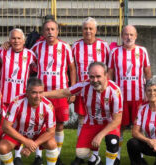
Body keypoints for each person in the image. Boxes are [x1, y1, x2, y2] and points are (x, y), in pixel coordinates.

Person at [43, 62, 122, 165]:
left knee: (113, 141)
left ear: (106, 75)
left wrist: (100, 135)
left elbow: (117, 119)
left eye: (98, 76)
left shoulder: (115, 91)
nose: (95, 80)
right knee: (81, 153)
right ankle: (95, 160)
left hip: (109, 123)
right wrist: (42, 94)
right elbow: (64, 92)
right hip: (91, 123)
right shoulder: (84, 85)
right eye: (91, 77)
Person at [31, 19, 76, 165]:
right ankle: (38, 156)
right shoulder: (37, 47)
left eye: (53, 29)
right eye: (47, 29)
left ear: (57, 31)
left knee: (60, 125)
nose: (50, 32)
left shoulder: (65, 47)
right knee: (39, 124)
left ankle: (56, 156)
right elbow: (26, 60)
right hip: (41, 94)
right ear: (43, 32)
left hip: (61, 92)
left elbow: (72, 68)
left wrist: (72, 90)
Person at [108, 25, 152, 161]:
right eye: (126, 34)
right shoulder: (114, 52)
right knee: (119, 127)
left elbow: (147, 72)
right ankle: (117, 156)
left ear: (136, 36)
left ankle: (140, 155)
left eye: (131, 34)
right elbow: (110, 74)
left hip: (138, 96)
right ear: (122, 36)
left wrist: (148, 91)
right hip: (120, 98)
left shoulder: (142, 51)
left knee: (139, 127)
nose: (129, 37)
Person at [0, 28, 37, 164]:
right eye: (13, 38)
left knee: (19, 128)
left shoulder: (30, 55)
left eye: (19, 38)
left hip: (21, 101)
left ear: (24, 41)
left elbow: (35, 70)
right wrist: (2, 45)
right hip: (4, 101)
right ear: (9, 40)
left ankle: (17, 155)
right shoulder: (2, 51)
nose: (16, 41)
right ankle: (1, 157)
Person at [71, 17, 110, 165]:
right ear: (82, 30)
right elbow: (72, 68)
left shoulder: (104, 46)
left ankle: (95, 155)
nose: (88, 31)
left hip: (99, 91)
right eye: (85, 28)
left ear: (96, 30)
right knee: (82, 122)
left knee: (96, 122)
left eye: (90, 28)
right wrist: (74, 88)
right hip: (82, 91)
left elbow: (109, 69)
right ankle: (81, 155)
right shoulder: (75, 46)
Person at [0, 77, 58, 165]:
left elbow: (51, 132)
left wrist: (33, 145)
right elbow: (6, 127)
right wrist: (25, 141)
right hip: (18, 133)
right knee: (2, 148)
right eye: (34, 92)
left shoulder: (48, 106)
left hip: (38, 134)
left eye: (40, 92)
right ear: (27, 92)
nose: (38, 96)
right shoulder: (16, 103)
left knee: (52, 144)